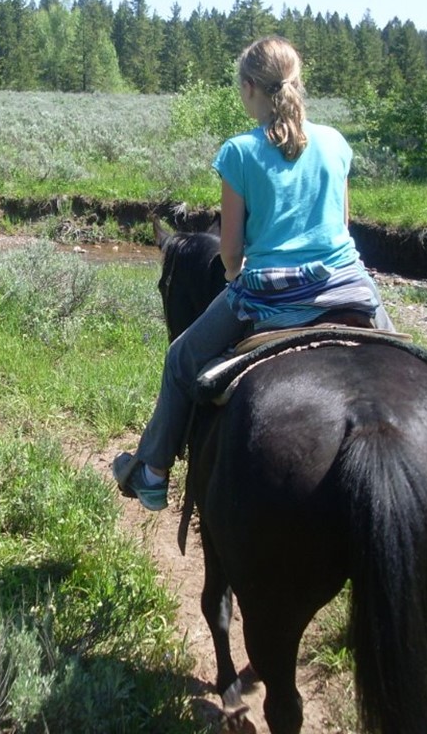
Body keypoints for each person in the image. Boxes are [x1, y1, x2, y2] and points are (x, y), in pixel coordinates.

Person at [113, 35, 394, 512]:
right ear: (296, 82)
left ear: (248, 89)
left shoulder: (239, 153)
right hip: (348, 282)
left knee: (182, 360)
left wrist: (234, 276)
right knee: (406, 357)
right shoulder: (335, 142)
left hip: (269, 294)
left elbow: (231, 250)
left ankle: (153, 473)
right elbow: (344, 225)